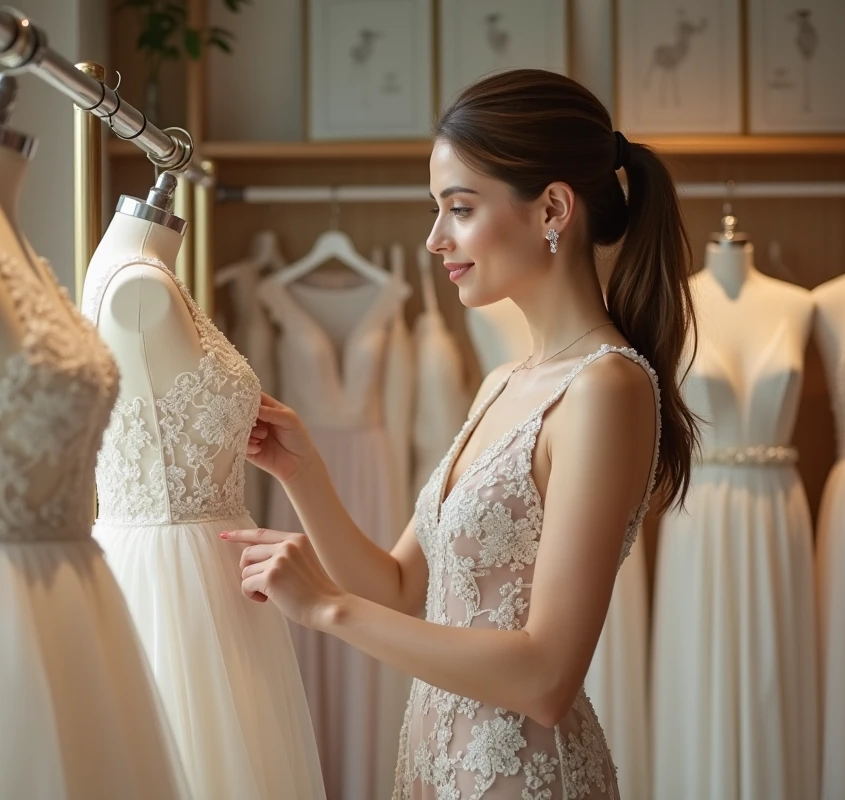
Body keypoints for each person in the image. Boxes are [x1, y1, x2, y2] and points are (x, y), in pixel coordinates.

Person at [221, 68, 698, 799]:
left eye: (461, 208)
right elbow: (401, 586)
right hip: (434, 769)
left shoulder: (607, 388)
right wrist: (302, 472)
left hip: (525, 777)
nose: (435, 238)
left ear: (553, 209)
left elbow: (546, 677)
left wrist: (325, 609)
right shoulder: (502, 382)